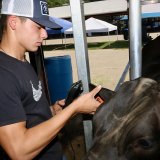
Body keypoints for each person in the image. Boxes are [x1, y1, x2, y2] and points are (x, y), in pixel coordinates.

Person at [0, 0, 102, 159]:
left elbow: (27, 113)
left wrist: (52, 111)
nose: (45, 34)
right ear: (13, 22)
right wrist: (73, 109)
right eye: (38, 27)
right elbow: (19, 150)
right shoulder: (3, 73)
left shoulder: (22, 61)